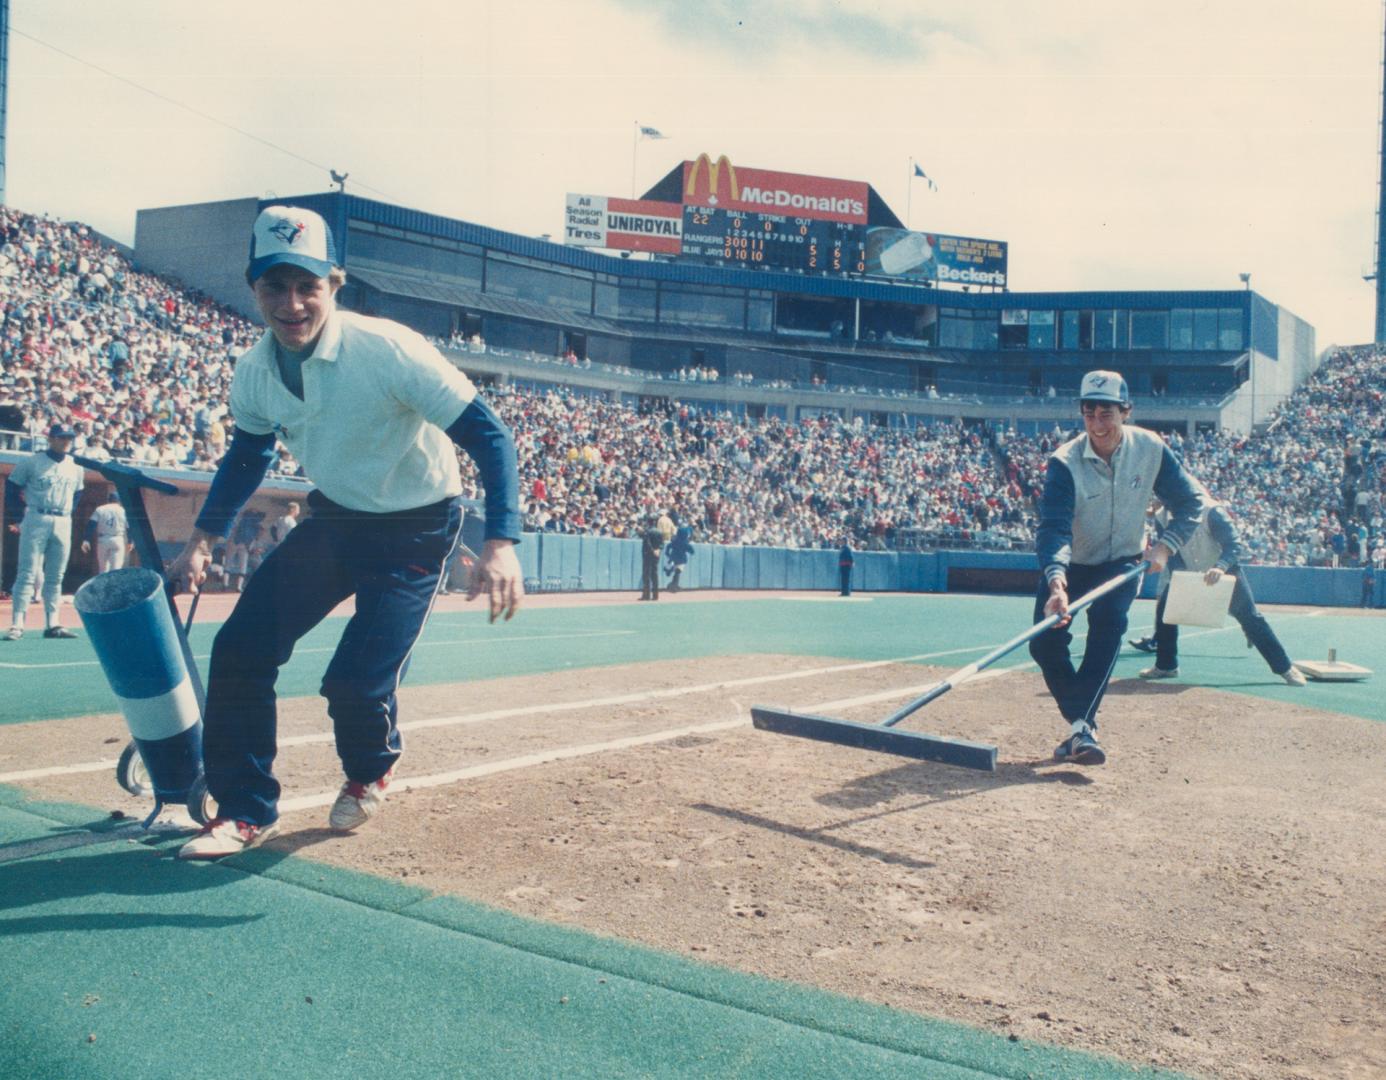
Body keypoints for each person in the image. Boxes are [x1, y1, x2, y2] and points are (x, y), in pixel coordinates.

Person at [171, 205, 522, 860]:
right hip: (335, 518)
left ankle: (371, 768)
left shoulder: (386, 349)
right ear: (254, 288)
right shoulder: (254, 371)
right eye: (275, 286)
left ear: (335, 283)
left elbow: (488, 434)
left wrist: (501, 540)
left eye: (308, 286)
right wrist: (202, 539)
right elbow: (247, 456)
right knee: (242, 646)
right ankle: (246, 810)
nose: (292, 304)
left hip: (418, 526)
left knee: (356, 682)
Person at [1029, 371, 1205, 766]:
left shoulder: (1151, 449)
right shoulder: (1064, 462)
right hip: (1072, 562)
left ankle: (1081, 730)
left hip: (1123, 561)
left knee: (1108, 625)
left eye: (1106, 413)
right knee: (1043, 642)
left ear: (1126, 411)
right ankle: (1081, 726)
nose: (1097, 423)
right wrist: (1057, 581)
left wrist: (1165, 546)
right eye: (1089, 413)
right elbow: (1053, 526)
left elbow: (1192, 503)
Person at [1135, 489, 1307, 686]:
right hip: (1192, 570)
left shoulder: (1212, 511)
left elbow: (1234, 545)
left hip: (1225, 571)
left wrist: (1220, 567)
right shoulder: (1162, 516)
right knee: (1166, 610)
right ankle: (1166, 666)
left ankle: (1285, 668)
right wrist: (1183, 578)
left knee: (1251, 618)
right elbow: (1170, 551)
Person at [4, 424, 85, 640]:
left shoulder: (76, 466)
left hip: (63, 519)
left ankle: (53, 623)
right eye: (61, 437)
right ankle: (17, 624)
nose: (65, 441)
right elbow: (12, 488)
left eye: (69, 438)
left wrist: (69, 512)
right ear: (50, 439)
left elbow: (78, 494)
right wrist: (19, 517)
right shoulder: (32, 461)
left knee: (56, 575)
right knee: (27, 572)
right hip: (36, 516)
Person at [82, 491, 131, 573]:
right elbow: (129, 528)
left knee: (103, 569)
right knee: (116, 570)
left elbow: (91, 525)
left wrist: (86, 539)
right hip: (118, 539)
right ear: (119, 501)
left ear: (108, 500)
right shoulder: (123, 511)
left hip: (103, 539)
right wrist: (130, 541)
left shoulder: (100, 509)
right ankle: (113, 585)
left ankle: (103, 585)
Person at [640, 514, 664, 601]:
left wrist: (652, 550)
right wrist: (658, 550)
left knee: (646, 574)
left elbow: (647, 543)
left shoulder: (648, 531)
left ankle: (646, 595)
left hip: (647, 554)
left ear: (649, 522)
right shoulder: (659, 532)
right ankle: (655, 595)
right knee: (655, 574)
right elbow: (662, 543)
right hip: (656, 555)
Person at [665, 519, 694, 592]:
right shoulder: (685, 543)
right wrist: (691, 551)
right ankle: (674, 586)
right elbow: (691, 550)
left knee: (676, 571)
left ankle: (673, 583)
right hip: (681, 559)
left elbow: (668, 546)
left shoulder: (675, 541)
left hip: (674, 557)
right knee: (678, 571)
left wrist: (667, 553)